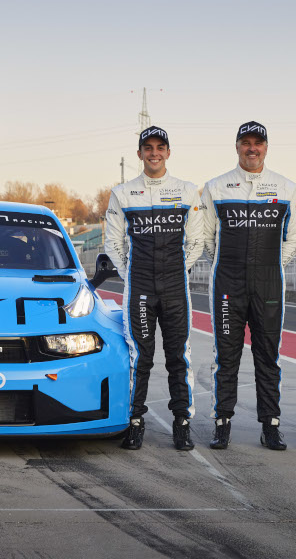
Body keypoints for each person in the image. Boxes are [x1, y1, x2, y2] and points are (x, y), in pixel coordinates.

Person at [200, 121, 296, 451]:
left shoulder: (285, 188)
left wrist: (273, 263)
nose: (252, 148)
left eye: (257, 143)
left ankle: (270, 425)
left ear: (266, 147)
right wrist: (231, 263)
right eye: (245, 142)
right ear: (237, 147)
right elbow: (206, 237)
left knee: (268, 358)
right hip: (228, 282)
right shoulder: (216, 187)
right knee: (227, 357)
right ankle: (222, 422)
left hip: (269, 283)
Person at [105, 126, 205, 451]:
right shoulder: (123, 193)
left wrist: (180, 268)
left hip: (176, 288)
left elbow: (198, 241)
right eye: (148, 148)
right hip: (141, 289)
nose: (154, 153)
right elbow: (112, 242)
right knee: (140, 359)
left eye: (160, 147)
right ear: (140, 154)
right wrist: (130, 274)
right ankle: (134, 422)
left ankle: (182, 423)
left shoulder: (187, 191)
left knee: (179, 357)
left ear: (168, 152)